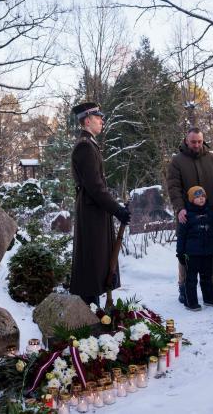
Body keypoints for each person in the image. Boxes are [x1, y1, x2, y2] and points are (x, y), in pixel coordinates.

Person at [70, 102, 131, 306]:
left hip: (94, 211)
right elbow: (95, 187)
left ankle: (92, 312)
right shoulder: (85, 147)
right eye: (98, 118)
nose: (102, 121)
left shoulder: (90, 144)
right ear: (87, 121)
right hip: (91, 212)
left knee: (96, 263)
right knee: (92, 264)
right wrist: (117, 210)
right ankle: (88, 316)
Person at [166, 127, 213, 303]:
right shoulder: (177, 161)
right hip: (187, 214)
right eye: (193, 142)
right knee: (186, 250)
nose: (197, 145)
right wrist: (180, 208)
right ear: (186, 140)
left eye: (200, 141)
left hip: (208, 212)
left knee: (210, 248)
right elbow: (173, 187)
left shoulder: (211, 158)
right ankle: (184, 287)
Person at [176, 186, 213, 311]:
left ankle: (209, 298)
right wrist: (180, 253)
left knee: (207, 276)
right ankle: (190, 301)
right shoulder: (186, 215)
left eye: (203, 196)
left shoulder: (211, 213)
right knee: (191, 278)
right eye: (197, 197)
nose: (201, 199)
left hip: (208, 251)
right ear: (191, 200)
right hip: (192, 253)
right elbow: (181, 235)